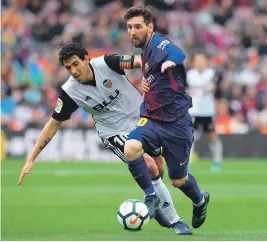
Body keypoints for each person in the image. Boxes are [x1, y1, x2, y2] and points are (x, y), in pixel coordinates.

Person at [17, 42, 192, 235]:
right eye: (68, 68)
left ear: (86, 59)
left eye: (76, 64)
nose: (73, 71)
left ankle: (156, 207)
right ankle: (175, 221)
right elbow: (52, 124)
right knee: (150, 166)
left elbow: (139, 61)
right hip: (114, 132)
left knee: (159, 169)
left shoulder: (108, 63)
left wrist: (159, 67)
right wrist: (31, 158)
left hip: (143, 119)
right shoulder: (70, 92)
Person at [123, 6, 210, 229]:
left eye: (138, 27)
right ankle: (151, 196)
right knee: (131, 147)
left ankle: (200, 201)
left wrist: (171, 62)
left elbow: (178, 54)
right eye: (129, 27)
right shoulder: (144, 50)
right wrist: (146, 84)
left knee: (178, 180)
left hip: (176, 124)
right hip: (151, 119)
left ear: (150, 27)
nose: (132, 31)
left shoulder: (159, 44)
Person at [187, 53, 223, 172]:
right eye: (197, 60)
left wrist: (204, 90)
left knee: (212, 136)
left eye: (202, 60)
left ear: (207, 61)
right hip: (193, 111)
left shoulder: (212, 73)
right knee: (189, 137)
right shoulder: (189, 74)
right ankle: (187, 162)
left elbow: (212, 87)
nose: (199, 63)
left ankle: (217, 162)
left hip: (207, 111)